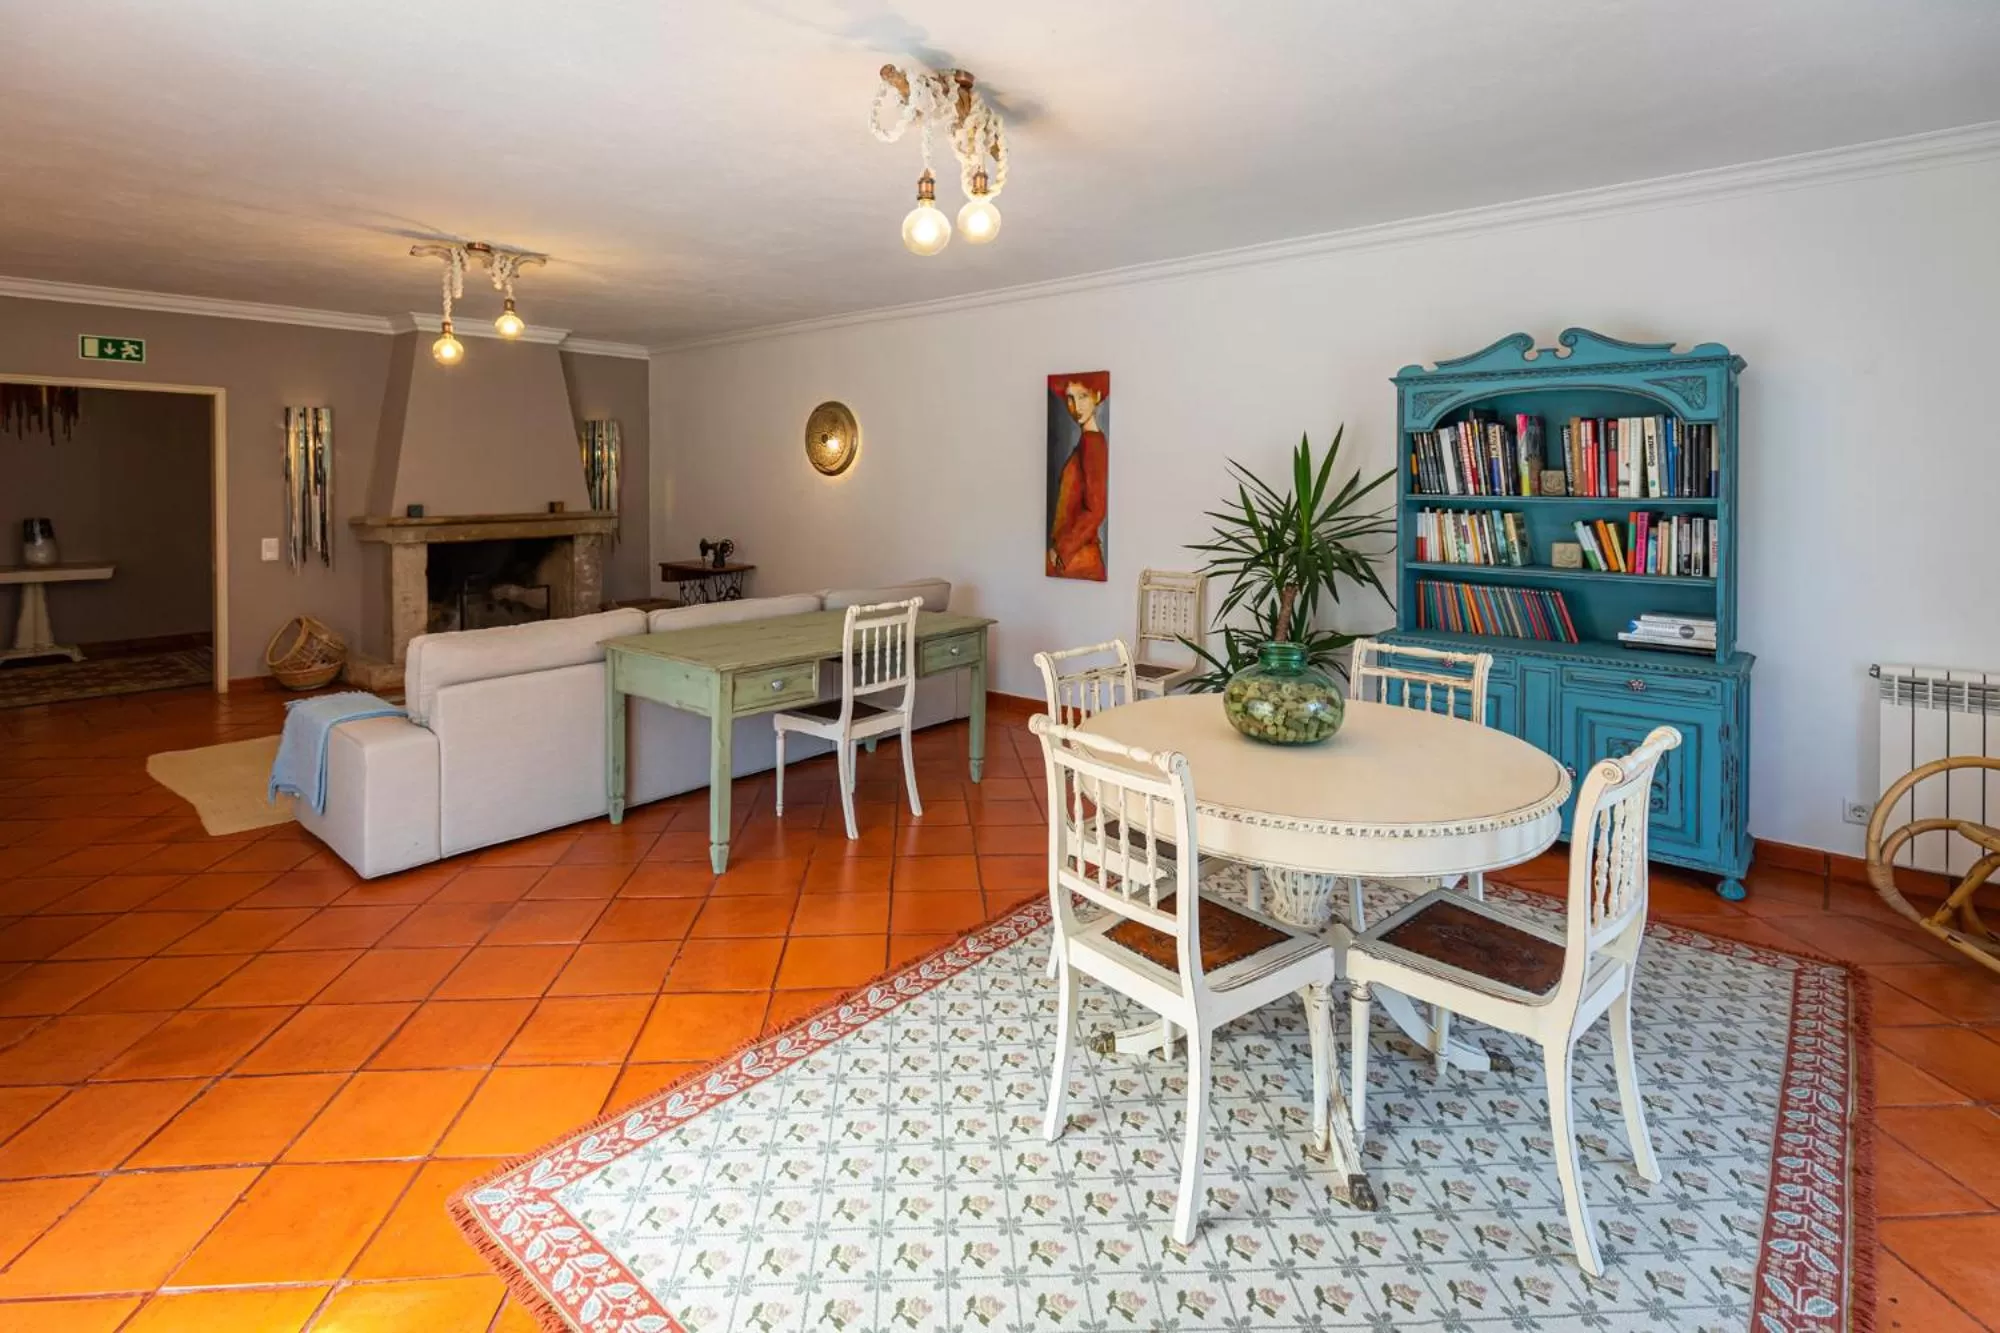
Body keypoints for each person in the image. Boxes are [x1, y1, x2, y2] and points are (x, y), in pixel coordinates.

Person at [1046, 373, 1108, 580]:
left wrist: (1061, 549)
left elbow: (1096, 510)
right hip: (1073, 558)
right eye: (1070, 398)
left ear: (1097, 396)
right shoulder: (1086, 443)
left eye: (1082, 396)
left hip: (1078, 558)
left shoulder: (1093, 444)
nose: (1076, 406)